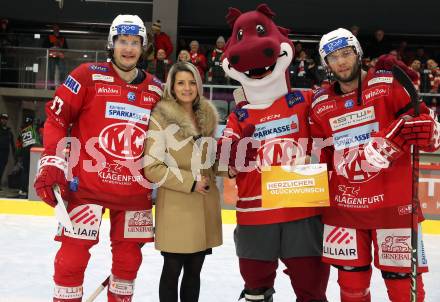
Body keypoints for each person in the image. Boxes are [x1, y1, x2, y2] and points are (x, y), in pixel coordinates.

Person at [33, 14, 163, 302]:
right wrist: (52, 162)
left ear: (143, 47)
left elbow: (167, 139)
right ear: (111, 44)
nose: (128, 48)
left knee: (128, 265)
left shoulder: (156, 89)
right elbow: (56, 118)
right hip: (86, 189)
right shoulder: (85, 75)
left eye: (134, 42)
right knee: (70, 262)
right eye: (122, 41)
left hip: (134, 194)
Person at [310, 28, 440, 302]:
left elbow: (428, 134)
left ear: (358, 53)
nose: (341, 61)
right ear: (326, 64)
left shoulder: (388, 84)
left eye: (346, 53)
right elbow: (317, 155)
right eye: (332, 57)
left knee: (404, 289)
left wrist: (431, 132)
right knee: (351, 287)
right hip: (344, 209)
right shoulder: (319, 104)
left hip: (394, 206)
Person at [144, 61, 223, 302]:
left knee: (194, 270)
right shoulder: (161, 118)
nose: (187, 88)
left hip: (204, 205)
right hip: (178, 206)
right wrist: (190, 182)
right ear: (172, 86)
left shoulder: (207, 117)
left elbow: (210, 161)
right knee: (172, 270)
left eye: (191, 82)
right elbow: (152, 167)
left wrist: (227, 166)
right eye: (181, 83)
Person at [17, 116, 40, 198]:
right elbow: (37, 143)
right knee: (29, 172)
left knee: (24, 171)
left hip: (24, 153)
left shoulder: (22, 131)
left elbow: (19, 144)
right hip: (31, 153)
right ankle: (25, 189)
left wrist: (18, 155)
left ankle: (22, 189)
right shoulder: (33, 130)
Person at [0, 113, 15, 190]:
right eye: (2, 119)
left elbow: (12, 144)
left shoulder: (9, 132)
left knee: (1, 169)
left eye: (5, 119)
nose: (4, 120)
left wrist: (14, 154)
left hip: (5, 154)